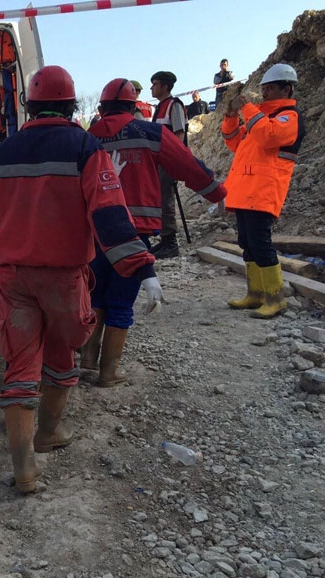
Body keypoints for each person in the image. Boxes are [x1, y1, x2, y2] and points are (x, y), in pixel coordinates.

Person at [0, 66, 162, 495]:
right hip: (62, 277)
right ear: (73, 106)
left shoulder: (1, 154)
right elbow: (111, 216)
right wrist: (143, 268)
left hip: (12, 277)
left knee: (19, 367)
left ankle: (24, 471)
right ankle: (48, 433)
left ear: (29, 106)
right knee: (61, 355)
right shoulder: (86, 149)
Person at [86, 78, 227, 385]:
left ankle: (86, 361)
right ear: (134, 106)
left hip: (95, 231)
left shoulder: (89, 136)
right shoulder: (150, 133)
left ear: (101, 108)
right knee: (121, 302)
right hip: (135, 233)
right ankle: (109, 372)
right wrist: (217, 193)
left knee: (95, 294)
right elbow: (188, 165)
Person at [222, 63, 306, 319]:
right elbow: (235, 143)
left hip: (264, 192)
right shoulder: (259, 117)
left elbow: (269, 137)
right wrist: (230, 116)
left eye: (270, 88)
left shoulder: (288, 118)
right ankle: (256, 294)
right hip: (245, 192)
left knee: (261, 244)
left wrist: (247, 108)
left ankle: (275, 298)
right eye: (264, 88)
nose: (266, 93)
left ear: (287, 88)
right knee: (247, 243)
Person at [150, 70, 188, 258]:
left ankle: (171, 243)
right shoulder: (159, 107)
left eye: (155, 84)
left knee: (166, 199)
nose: (152, 87)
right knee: (160, 199)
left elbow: (179, 136)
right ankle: (165, 240)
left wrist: (173, 159)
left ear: (165, 86)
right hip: (159, 159)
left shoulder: (174, 105)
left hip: (168, 160)